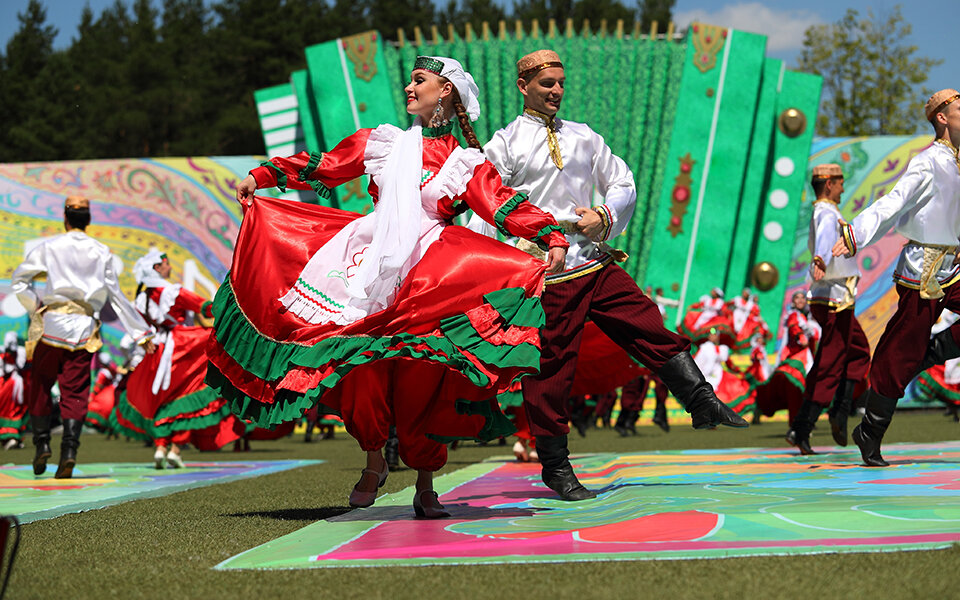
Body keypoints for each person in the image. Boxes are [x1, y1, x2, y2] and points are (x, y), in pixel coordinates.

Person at [210, 56, 569, 517]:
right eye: (410, 80)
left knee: (425, 373)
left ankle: (424, 479)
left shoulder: (465, 163)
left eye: (419, 81)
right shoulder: (383, 143)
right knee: (361, 368)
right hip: (366, 263)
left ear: (446, 93)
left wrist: (548, 235)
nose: (408, 87)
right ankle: (374, 457)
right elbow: (327, 165)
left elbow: (498, 203)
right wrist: (265, 175)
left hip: (431, 272)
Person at [476, 49, 747, 501]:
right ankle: (556, 466)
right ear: (523, 86)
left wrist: (603, 214)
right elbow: (487, 205)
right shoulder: (503, 145)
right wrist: (501, 258)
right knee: (551, 366)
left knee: (644, 319)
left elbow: (623, 180)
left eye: (561, 82)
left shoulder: (584, 137)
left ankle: (701, 400)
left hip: (592, 258)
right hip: (547, 269)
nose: (557, 91)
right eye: (547, 84)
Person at [833, 88, 960, 467]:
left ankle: (934, 351)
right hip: (923, 269)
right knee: (900, 354)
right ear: (942, 117)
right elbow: (893, 201)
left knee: (914, 351)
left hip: (956, 265)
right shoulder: (930, 162)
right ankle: (870, 431)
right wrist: (853, 234)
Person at [12, 196, 155, 478]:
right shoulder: (102, 251)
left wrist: (35, 306)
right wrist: (141, 334)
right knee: (75, 392)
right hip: (83, 329)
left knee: (40, 384)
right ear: (88, 220)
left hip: (52, 325)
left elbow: (20, 281)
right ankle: (69, 451)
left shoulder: (50, 246)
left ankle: (41, 443)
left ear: (65, 218)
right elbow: (116, 297)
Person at [114, 249, 243, 468]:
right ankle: (174, 448)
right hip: (184, 349)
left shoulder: (142, 297)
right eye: (166, 264)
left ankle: (161, 446)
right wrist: (232, 302)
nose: (170, 267)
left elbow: (141, 325)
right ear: (157, 268)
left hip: (157, 351)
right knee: (189, 397)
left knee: (162, 401)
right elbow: (207, 309)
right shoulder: (174, 292)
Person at [786, 164, 871, 455]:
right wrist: (821, 260)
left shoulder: (827, 211)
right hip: (834, 298)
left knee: (858, 350)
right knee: (832, 361)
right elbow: (823, 238)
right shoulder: (825, 212)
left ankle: (839, 410)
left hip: (838, 296)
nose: (843, 188)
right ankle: (803, 426)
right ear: (828, 184)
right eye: (840, 182)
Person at [755, 291, 820, 426]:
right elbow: (794, 328)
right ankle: (796, 423)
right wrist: (800, 338)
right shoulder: (793, 315)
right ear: (793, 301)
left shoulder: (809, 319)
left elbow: (816, 335)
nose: (801, 300)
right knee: (794, 389)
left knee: (806, 390)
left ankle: (803, 422)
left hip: (806, 358)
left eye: (803, 297)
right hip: (795, 357)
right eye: (797, 297)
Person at [0, 332, 27, 449]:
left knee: (13, 412)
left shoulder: (20, 352)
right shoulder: (2, 354)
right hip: (9, 386)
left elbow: (21, 366)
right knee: (10, 411)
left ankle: (12, 436)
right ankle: (10, 437)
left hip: (14, 387)